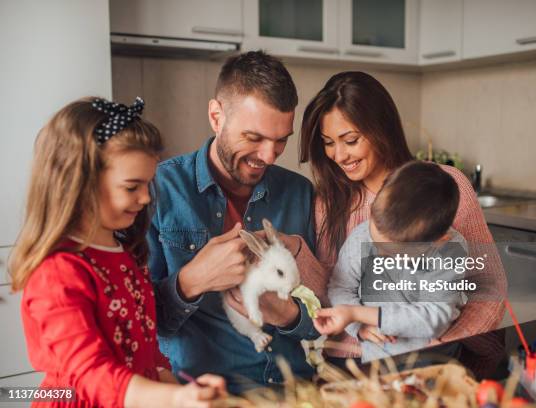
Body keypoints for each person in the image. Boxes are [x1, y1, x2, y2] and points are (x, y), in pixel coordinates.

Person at [10, 97, 226, 407]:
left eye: (148, 184)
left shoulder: (125, 253)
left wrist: (182, 390)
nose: (144, 198)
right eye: (131, 186)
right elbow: (91, 375)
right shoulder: (57, 273)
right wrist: (177, 398)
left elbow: (146, 350)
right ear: (79, 182)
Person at [148, 51, 325, 394]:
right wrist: (190, 282)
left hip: (294, 392)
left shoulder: (300, 192)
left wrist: (289, 316)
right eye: (254, 138)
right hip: (205, 394)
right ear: (216, 116)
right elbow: (137, 324)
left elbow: (325, 313)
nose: (269, 156)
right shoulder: (158, 190)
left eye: (281, 140)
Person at [299, 71, 507, 360]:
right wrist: (359, 328)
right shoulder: (329, 203)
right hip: (356, 361)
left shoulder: (445, 187)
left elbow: (488, 287)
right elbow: (332, 288)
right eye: (328, 142)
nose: (339, 156)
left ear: (380, 129)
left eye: (350, 140)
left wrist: (439, 343)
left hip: (437, 354)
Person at [314, 161, 469, 362]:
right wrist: (357, 326)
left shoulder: (450, 252)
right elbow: (341, 287)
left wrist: (357, 313)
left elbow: (434, 318)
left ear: (438, 242)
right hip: (377, 361)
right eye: (375, 233)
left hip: (434, 359)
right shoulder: (362, 236)